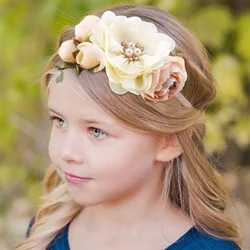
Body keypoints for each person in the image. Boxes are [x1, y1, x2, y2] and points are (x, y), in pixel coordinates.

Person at [15, 4, 243, 250]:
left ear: (170, 141)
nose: (67, 152)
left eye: (97, 131)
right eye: (59, 121)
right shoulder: (47, 229)